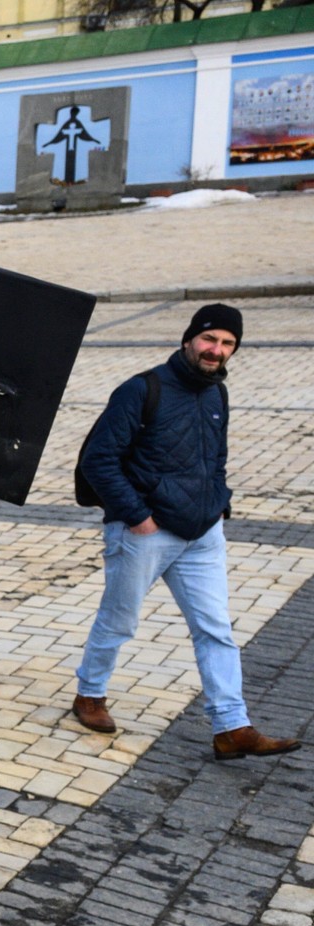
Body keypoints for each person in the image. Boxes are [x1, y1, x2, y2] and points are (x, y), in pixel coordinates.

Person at [73, 303, 300, 760]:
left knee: (216, 629)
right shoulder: (142, 389)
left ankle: (232, 726)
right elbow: (98, 460)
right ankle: (90, 695)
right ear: (189, 340)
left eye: (228, 343)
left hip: (203, 534)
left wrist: (219, 502)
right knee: (120, 620)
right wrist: (137, 516)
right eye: (209, 339)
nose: (217, 350)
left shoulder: (218, 394)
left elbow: (216, 456)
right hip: (145, 533)